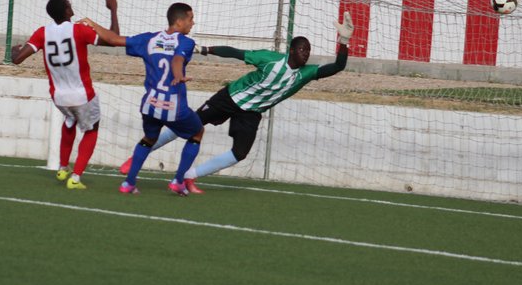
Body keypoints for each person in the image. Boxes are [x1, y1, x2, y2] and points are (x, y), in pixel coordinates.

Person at [117, 12, 355, 193]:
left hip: (252, 112)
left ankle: (189, 176)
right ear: (291, 50)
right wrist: (205, 49)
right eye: (302, 49)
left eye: (308, 51)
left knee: (240, 153)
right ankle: (135, 160)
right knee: (190, 124)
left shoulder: (306, 73)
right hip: (230, 97)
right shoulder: (270, 59)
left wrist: (343, 40)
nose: (306, 53)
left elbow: (337, 66)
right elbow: (236, 53)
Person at [82, 2, 203, 196]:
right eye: (191, 19)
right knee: (197, 133)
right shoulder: (186, 42)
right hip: (173, 105)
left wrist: (92, 23)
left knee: (149, 139)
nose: (193, 23)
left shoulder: (149, 39)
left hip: (150, 104)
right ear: (179, 22)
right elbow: (177, 59)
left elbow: (113, 39)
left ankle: (128, 183)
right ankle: (178, 181)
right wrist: (178, 75)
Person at [11, 0, 119, 190]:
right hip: (82, 94)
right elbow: (114, 39)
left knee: (70, 120)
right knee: (91, 130)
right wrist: (113, 9)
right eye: (69, 4)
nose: (71, 5)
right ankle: (75, 178)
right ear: (67, 11)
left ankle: (62, 167)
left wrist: (13, 51)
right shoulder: (79, 30)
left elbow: (17, 59)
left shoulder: (42, 32)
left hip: (59, 97)